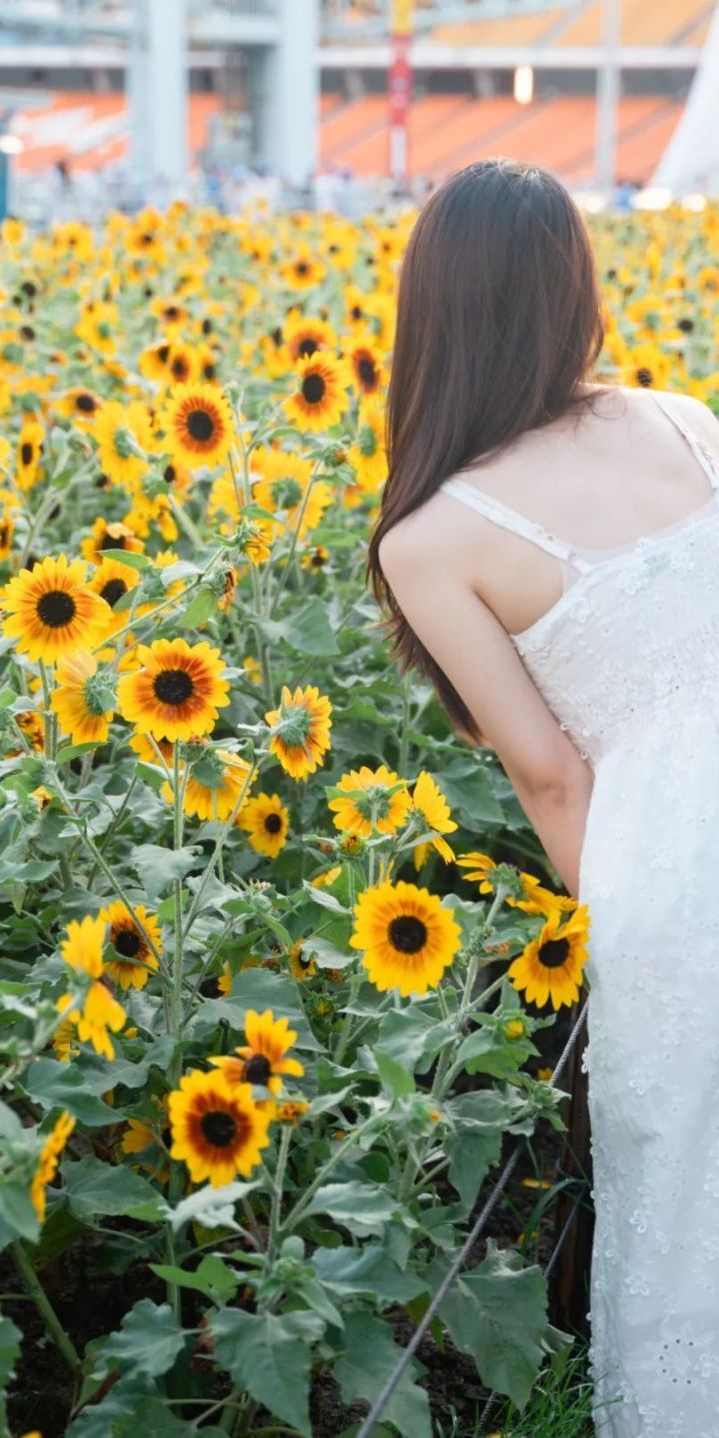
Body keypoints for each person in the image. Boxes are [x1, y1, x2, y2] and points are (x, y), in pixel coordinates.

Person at [367, 157, 719, 1437]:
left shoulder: (428, 541)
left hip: (674, 858)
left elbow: (548, 770)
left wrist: (612, 924)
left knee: (691, 1188)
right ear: (576, 289)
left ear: (430, 314)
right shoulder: (685, 422)